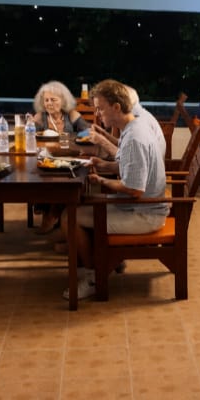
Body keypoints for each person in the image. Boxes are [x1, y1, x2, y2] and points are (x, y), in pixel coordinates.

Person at [64, 79, 169, 300]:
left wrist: (101, 180)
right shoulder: (135, 127)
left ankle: (94, 277)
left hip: (144, 213)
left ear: (116, 107)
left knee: (70, 217)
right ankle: (103, 262)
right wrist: (105, 166)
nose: (98, 114)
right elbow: (132, 168)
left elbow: (134, 189)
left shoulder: (134, 138)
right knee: (83, 204)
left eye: (101, 108)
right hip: (138, 206)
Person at [31, 80, 90, 234]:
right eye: (46, 100)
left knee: (65, 178)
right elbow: (29, 136)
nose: (49, 103)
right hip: (46, 158)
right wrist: (29, 126)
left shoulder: (72, 115)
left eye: (53, 100)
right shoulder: (40, 117)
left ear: (63, 101)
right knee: (43, 176)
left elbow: (88, 132)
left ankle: (55, 213)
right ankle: (50, 213)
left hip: (69, 156)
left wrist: (76, 138)